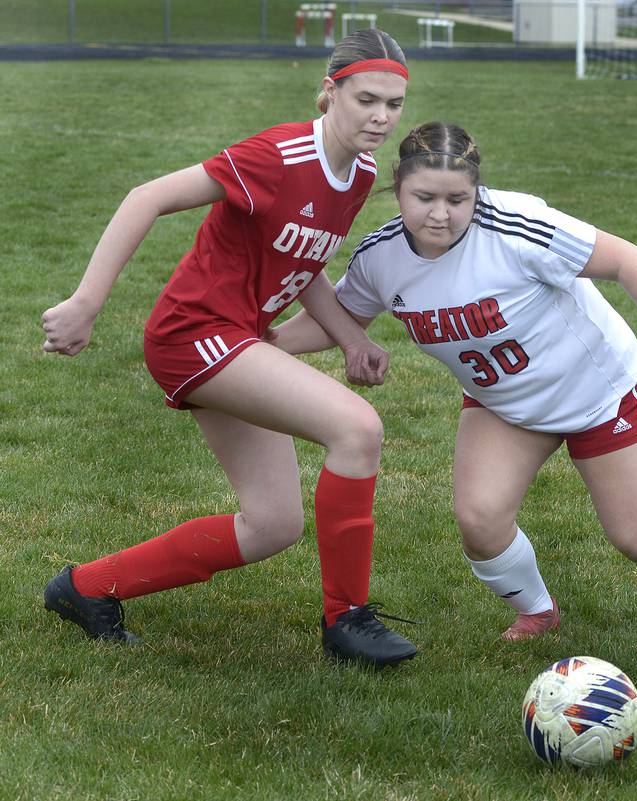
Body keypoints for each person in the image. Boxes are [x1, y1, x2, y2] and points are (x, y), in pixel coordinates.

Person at [41, 29, 418, 667]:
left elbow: (307, 260)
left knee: (273, 525)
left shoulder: (359, 173)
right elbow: (148, 197)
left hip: (237, 336)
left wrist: (351, 337)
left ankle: (86, 589)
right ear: (329, 94)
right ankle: (348, 620)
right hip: (193, 332)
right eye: (367, 99)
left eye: (395, 104)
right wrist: (86, 303)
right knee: (357, 429)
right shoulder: (279, 154)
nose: (382, 116)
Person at [270, 121, 637, 641]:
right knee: (480, 521)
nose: (440, 214)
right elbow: (339, 318)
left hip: (597, 393)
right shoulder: (382, 256)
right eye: (423, 197)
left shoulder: (516, 225)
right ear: (397, 185)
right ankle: (538, 609)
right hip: (503, 404)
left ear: (478, 194)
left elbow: (625, 260)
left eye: (457, 199)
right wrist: (260, 344)